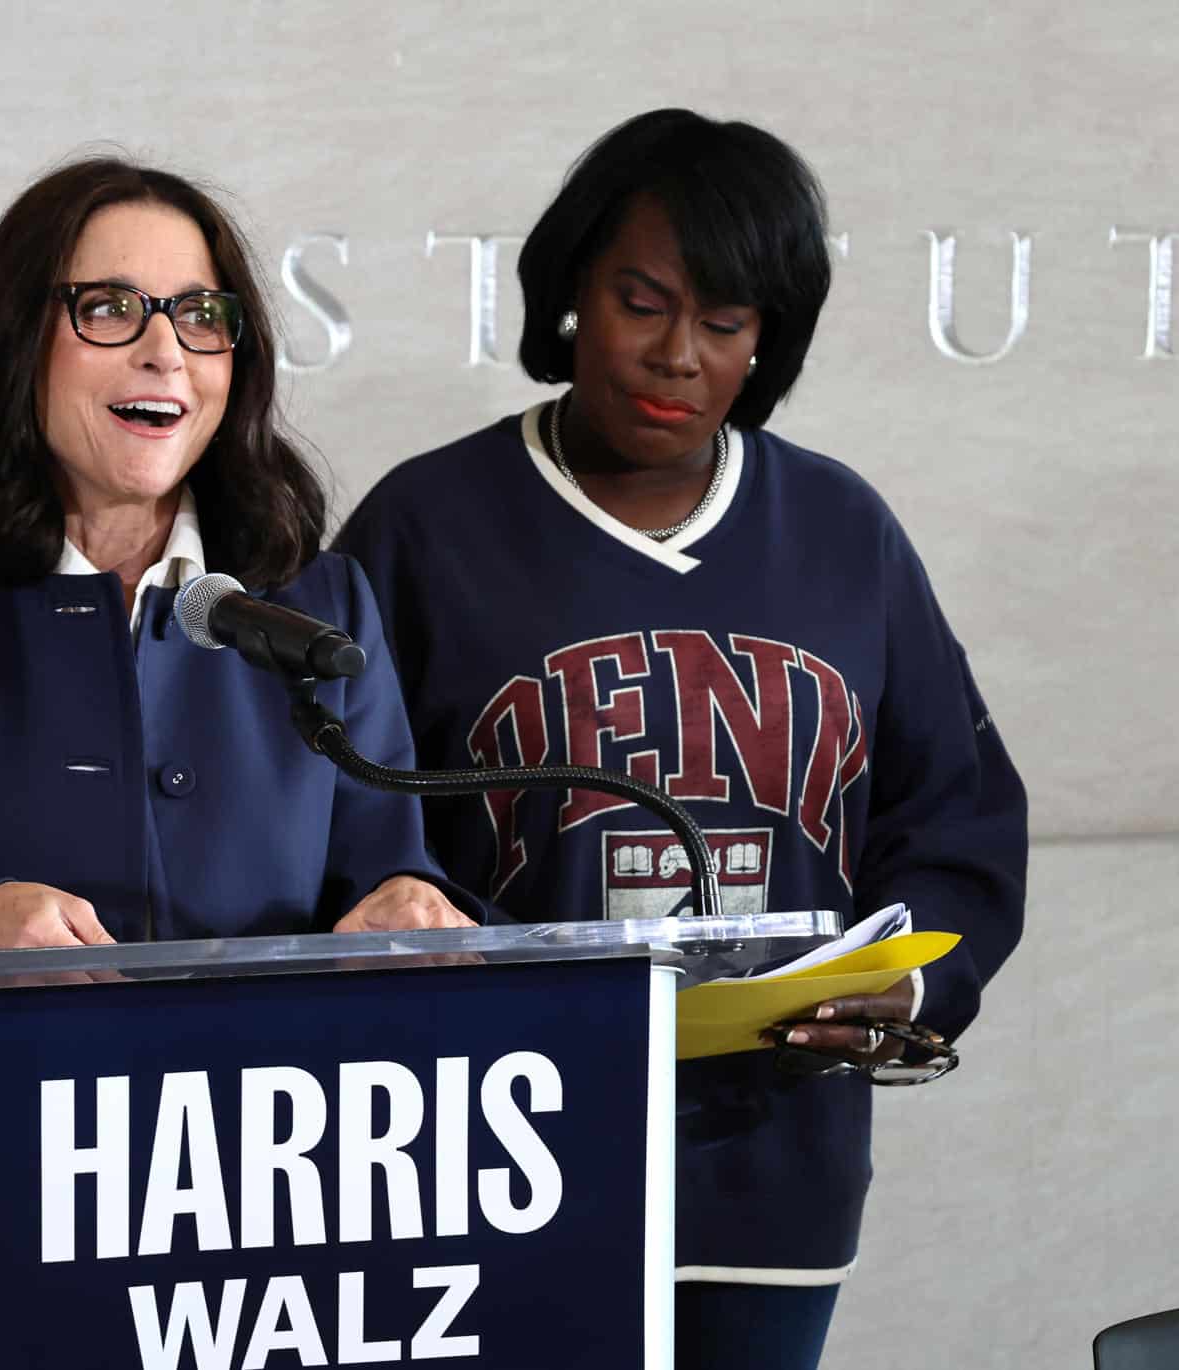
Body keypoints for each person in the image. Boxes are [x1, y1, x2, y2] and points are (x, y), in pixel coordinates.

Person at [0, 156, 477, 1369]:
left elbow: (387, 879)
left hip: (271, 1239)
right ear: (23, 339)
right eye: (111, 308)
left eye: (201, 314)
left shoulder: (315, 604)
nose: (164, 351)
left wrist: (408, 904)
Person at [334, 109, 1026, 1370]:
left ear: (769, 338)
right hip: (495, 1162)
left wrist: (916, 978)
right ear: (571, 293)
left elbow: (958, 812)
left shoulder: (839, 527)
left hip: (773, 1171)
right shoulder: (426, 523)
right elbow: (332, 815)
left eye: (725, 322)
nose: (678, 356)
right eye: (641, 301)